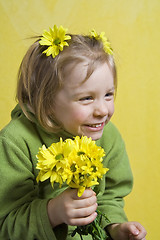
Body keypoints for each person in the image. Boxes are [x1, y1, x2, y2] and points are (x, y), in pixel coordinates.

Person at [0, 25, 147, 240]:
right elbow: (5, 226)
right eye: (86, 98)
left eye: (108, 95)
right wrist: (52, 212)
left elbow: (111, 197)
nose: (103, 111)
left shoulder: (108, 135)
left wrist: (115, 227)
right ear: (47, 101)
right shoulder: (15, 142)